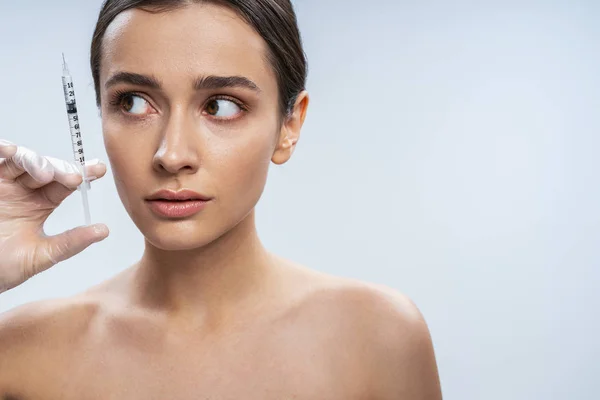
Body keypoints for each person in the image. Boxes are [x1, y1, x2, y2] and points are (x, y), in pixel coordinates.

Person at [0, 0, 442, 398]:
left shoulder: (379, 339)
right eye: (133, 103)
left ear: (290, 125)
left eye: (221, 106)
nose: (171, 155)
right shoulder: (20, 353)